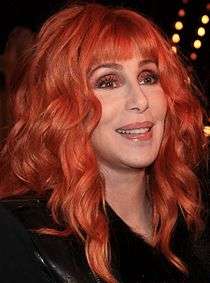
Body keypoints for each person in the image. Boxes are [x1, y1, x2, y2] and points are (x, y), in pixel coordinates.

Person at [0, 2, 209, 283]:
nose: (140, 100)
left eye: (148, 77)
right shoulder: (24, 236)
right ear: (64, 107)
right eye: (108, 82)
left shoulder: (195, 213)